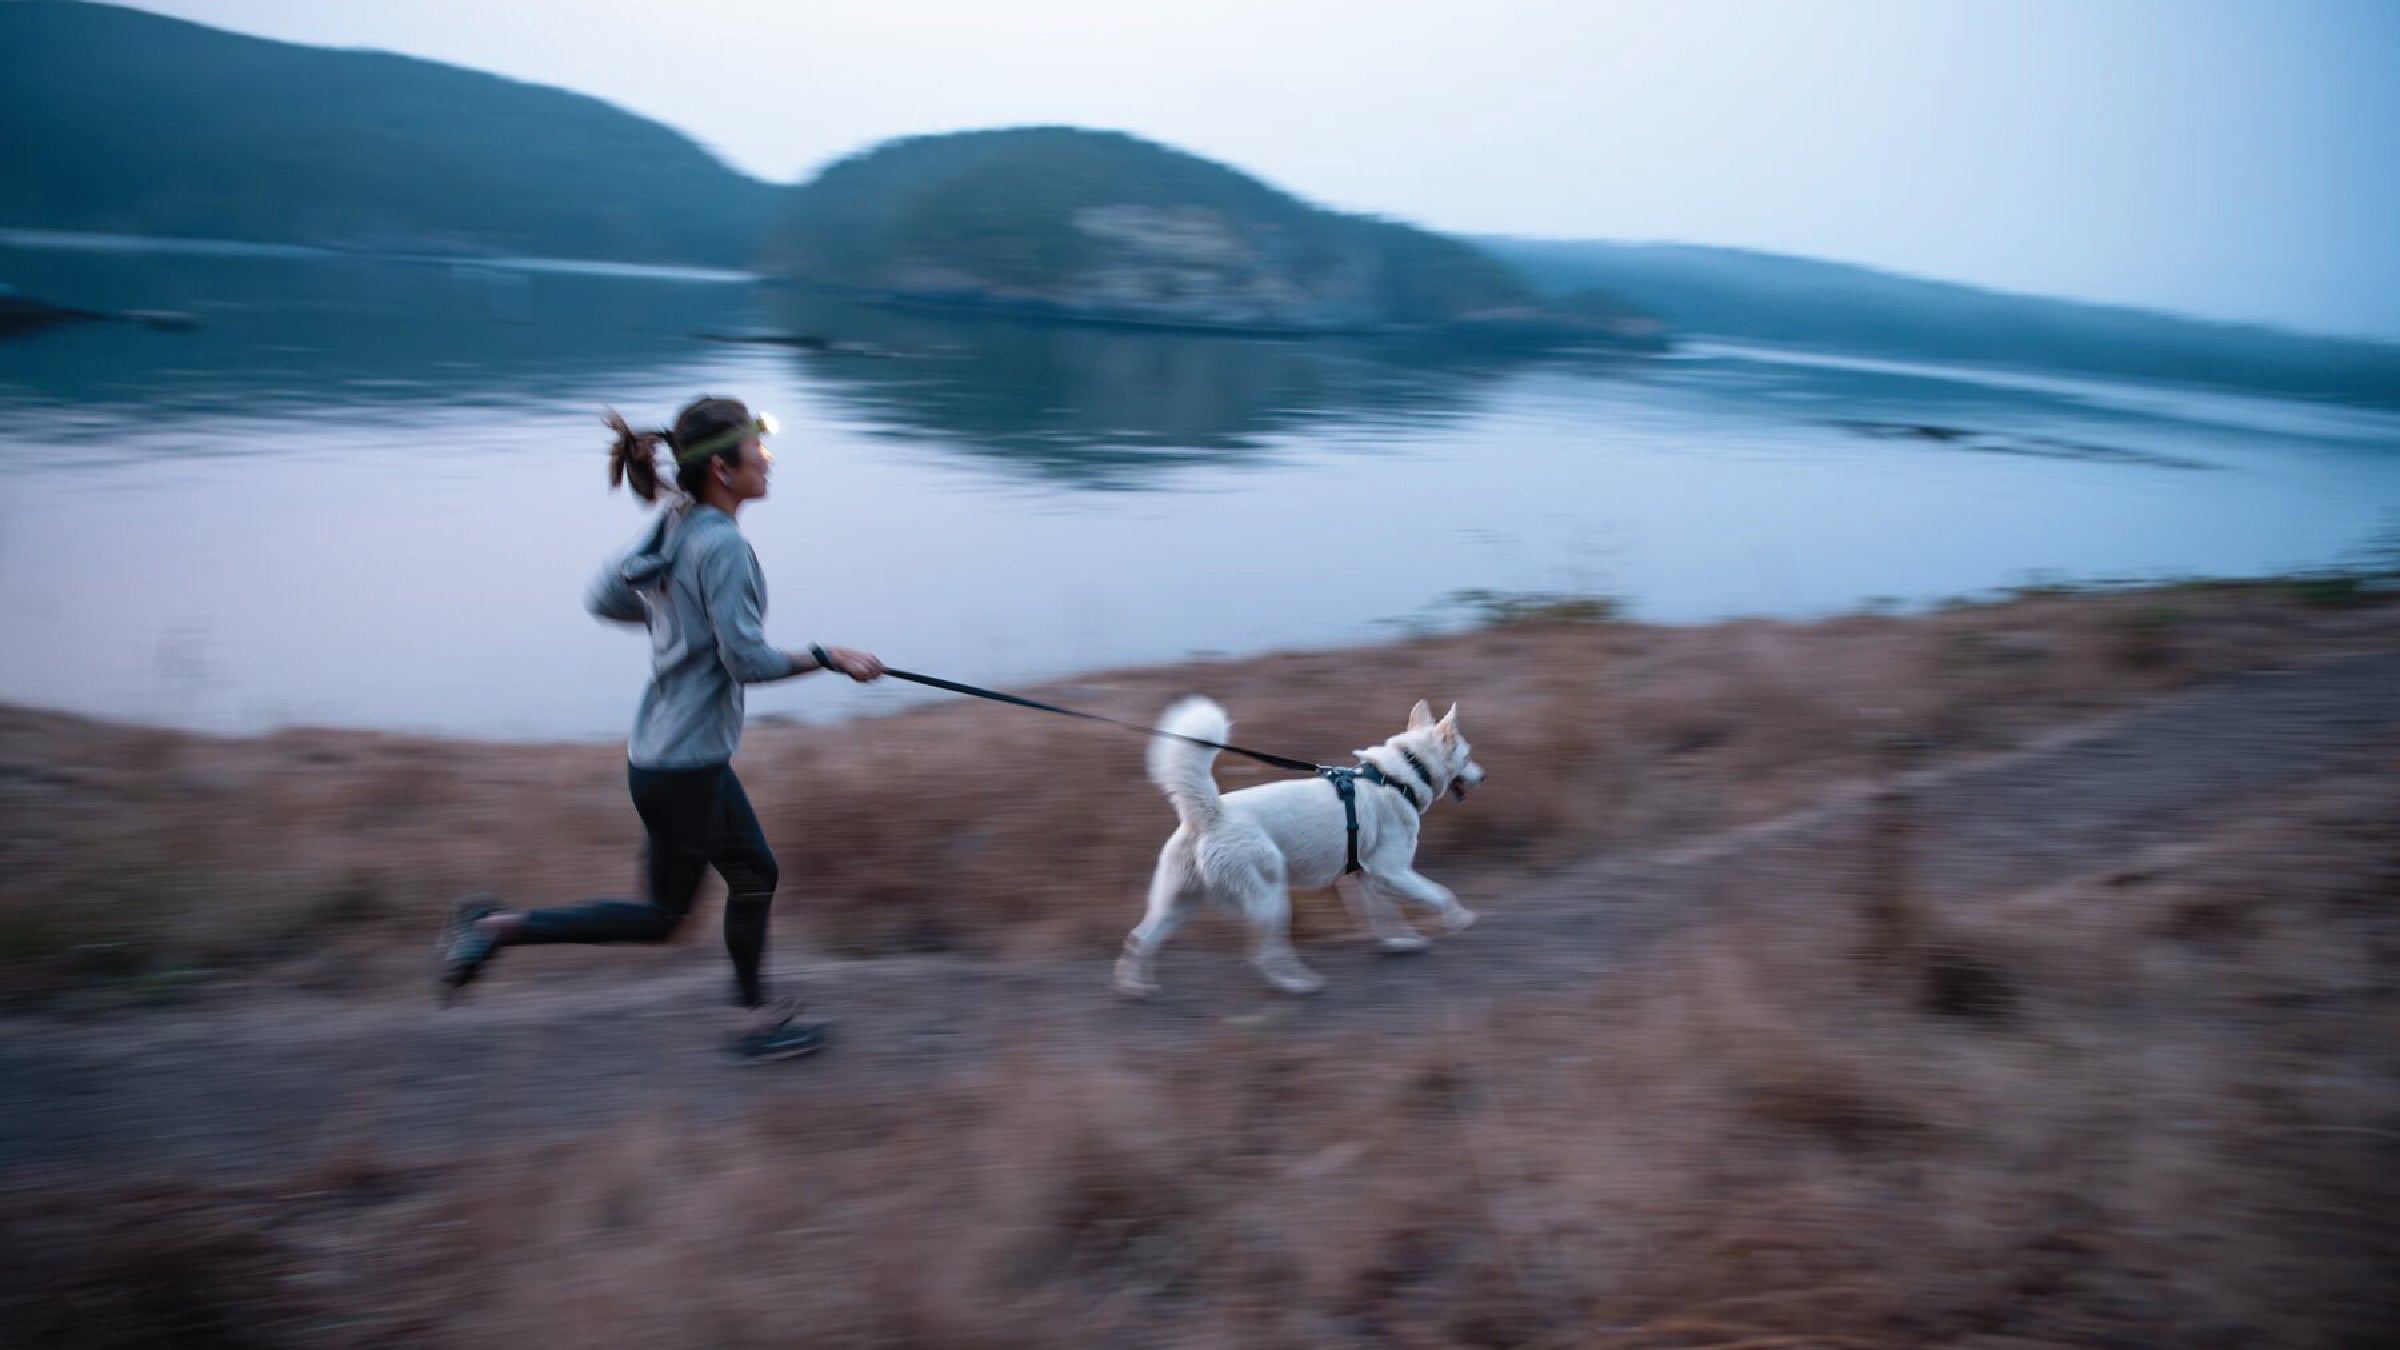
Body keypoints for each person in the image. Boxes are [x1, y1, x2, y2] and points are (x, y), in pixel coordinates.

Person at [435, 395, 884, 1063]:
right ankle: (495, 929)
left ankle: (754, 1016)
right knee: (664, 918)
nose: (769, 460)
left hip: (672, 757)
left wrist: (675, 621)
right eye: (756, 451)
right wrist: (829, 658)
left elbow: (607, 595)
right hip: (683, 767)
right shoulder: (724, 546)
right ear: (724, 472)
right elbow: (746, 661)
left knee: (755, 872)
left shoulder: (679, 523)